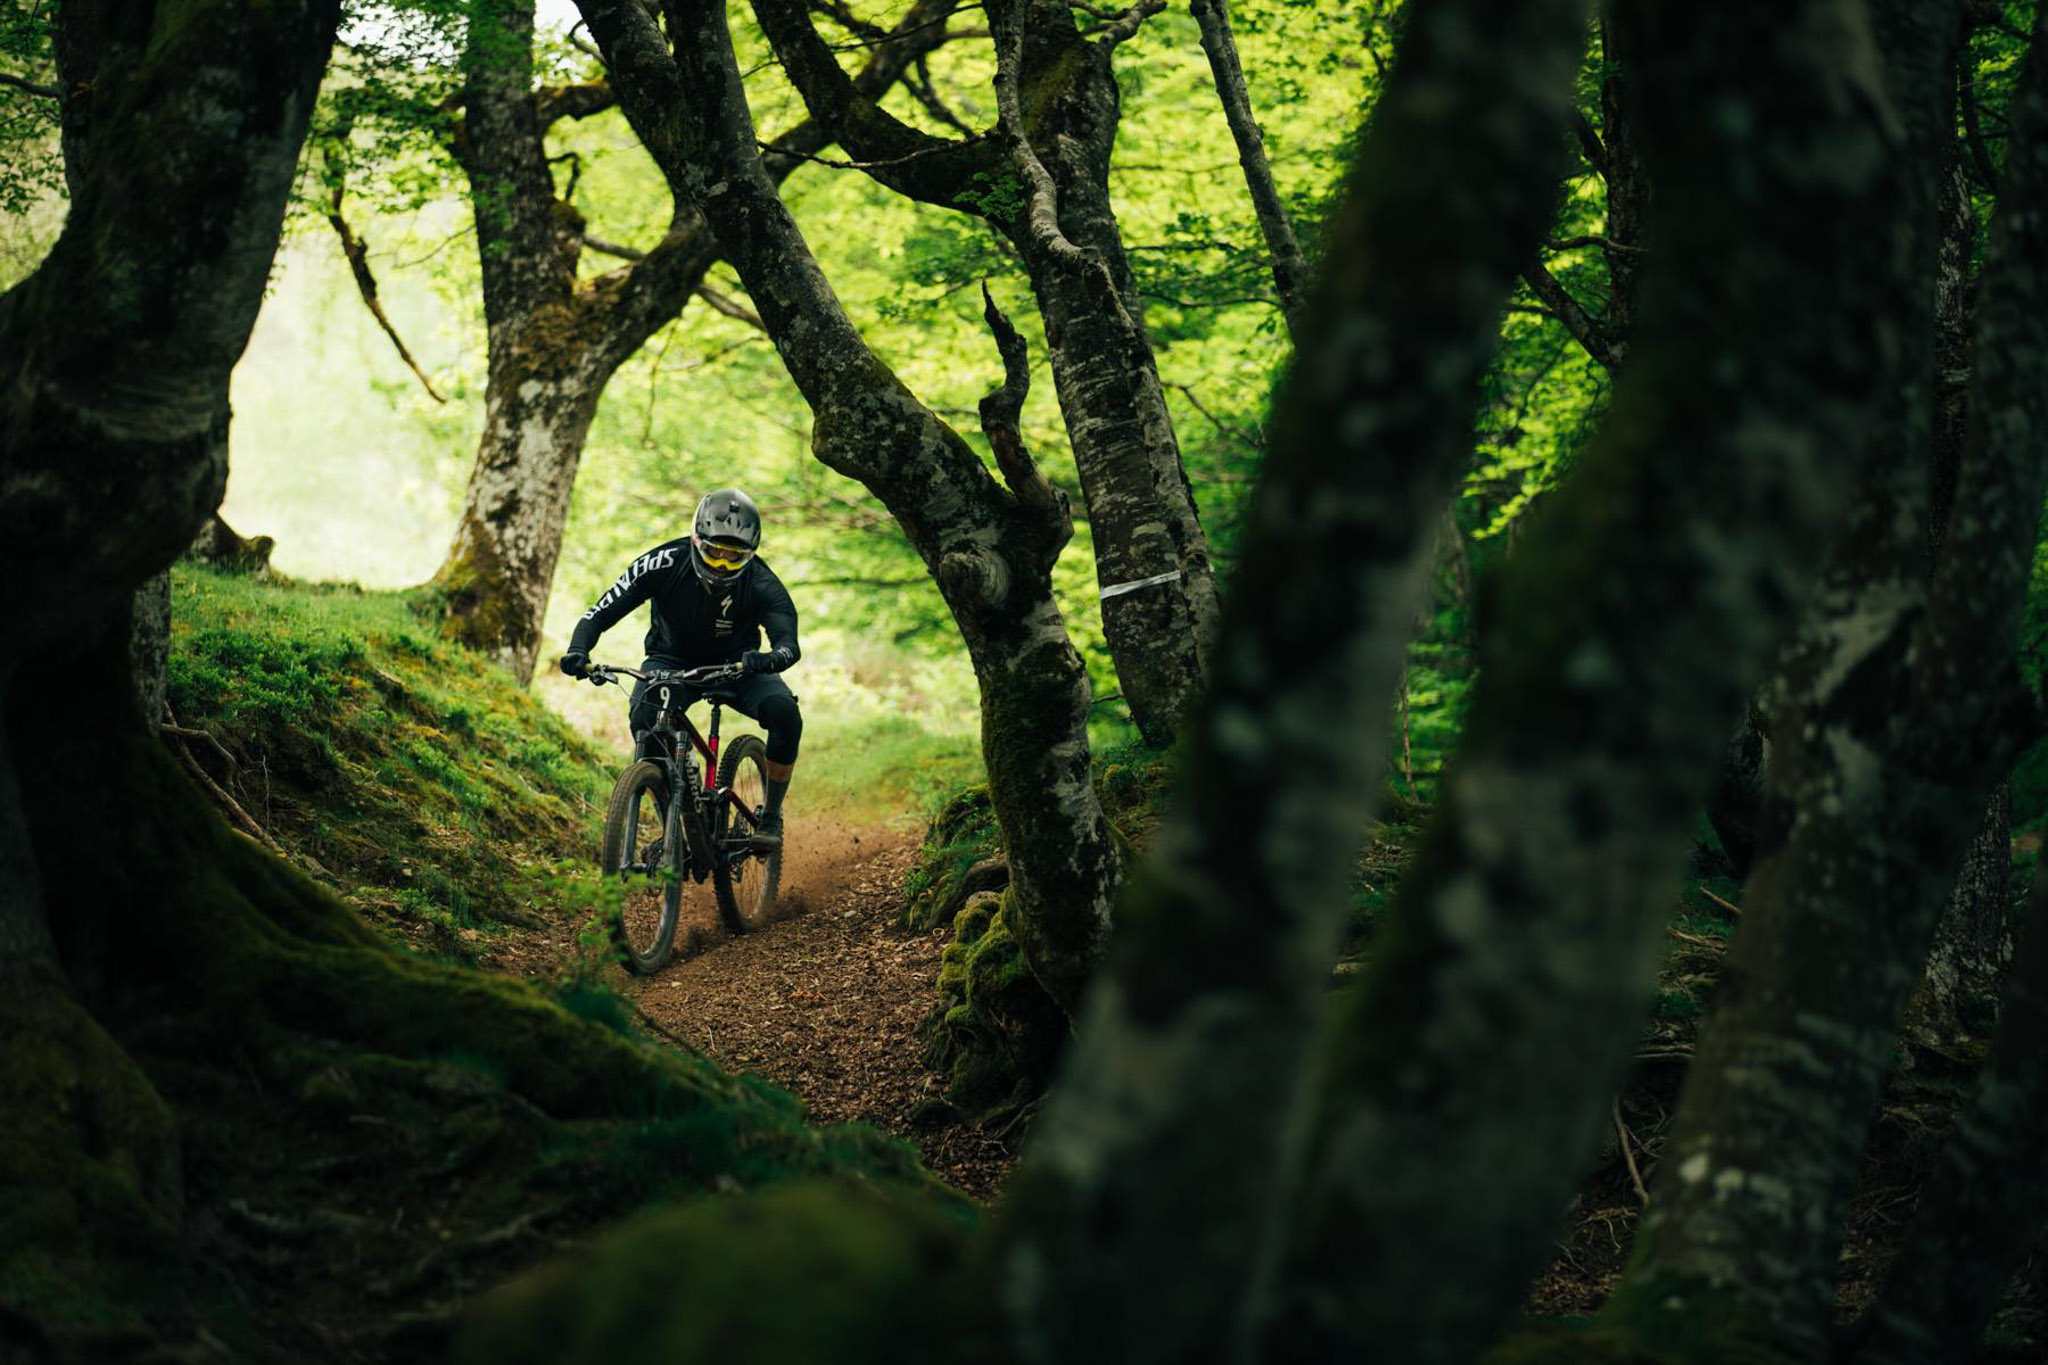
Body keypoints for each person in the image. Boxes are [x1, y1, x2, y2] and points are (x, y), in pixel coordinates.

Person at [559, 488, 801, 846]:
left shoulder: (763, 582)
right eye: (714, 552)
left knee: (785, 714)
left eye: (733, 557)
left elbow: (788, 644)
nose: (721, 564)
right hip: (669, 662)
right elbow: (601, 611)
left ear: (750, 554)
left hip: (738, 666)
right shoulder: (663, 563)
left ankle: (770, 818)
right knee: (645, 719)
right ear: (695, 539)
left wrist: (769, 658)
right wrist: (579, 649)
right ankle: (676, 823)